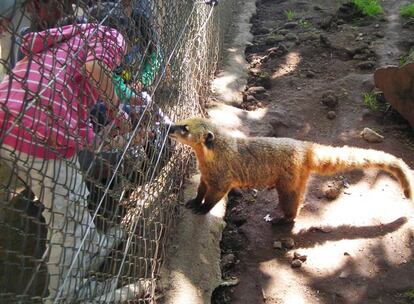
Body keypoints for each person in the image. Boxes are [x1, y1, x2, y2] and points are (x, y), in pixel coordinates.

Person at [0, 3, 127, 301]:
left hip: (8, 109)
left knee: (74, 196)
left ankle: (93, 245)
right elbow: (95, 68)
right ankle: (68, 293)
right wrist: (117, 110)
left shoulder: (65, 36)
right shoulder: (110, 34)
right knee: (64, 213)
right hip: (39, 124)